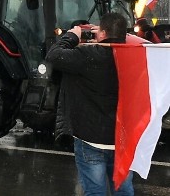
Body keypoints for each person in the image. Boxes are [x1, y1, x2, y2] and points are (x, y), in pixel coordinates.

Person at [45, 11, 133, 196]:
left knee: (95, 192)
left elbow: (53, 56)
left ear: (101, 33)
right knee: (124, 191)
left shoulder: (85, 55)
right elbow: (124, 43)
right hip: (122, 140)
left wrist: (72, 36)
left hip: (90, 139)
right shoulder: (135, 57)